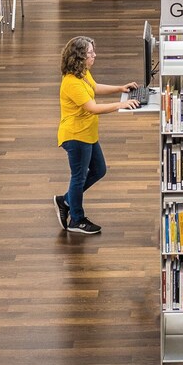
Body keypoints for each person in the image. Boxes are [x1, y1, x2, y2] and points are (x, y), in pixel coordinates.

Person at [54, 36, 139, 234]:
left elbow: (95, 88)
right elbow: (91, 108)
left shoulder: (83, 74)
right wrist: (120, 104)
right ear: (80, 57)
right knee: (79, 176)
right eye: (90, 53)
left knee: (99, 170)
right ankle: (76, 219)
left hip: (88, 133)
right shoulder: (71, 83)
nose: (94, 56)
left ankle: (65, 199)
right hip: (76, 136)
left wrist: (120, 89)